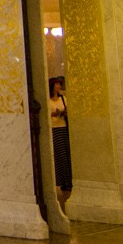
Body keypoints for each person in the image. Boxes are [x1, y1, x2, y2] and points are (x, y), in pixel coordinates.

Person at [49, 76, 72, 207]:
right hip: (54, 128)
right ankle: (58, 181)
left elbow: (68, 110)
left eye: (59, 84)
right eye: (56, 84)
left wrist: (64, 113)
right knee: (58, 155)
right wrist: (53, 114)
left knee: (65, 155)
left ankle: (67, 181)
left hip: (62, 127)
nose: (58, 86)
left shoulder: (63, 98)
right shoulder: (48, 100)